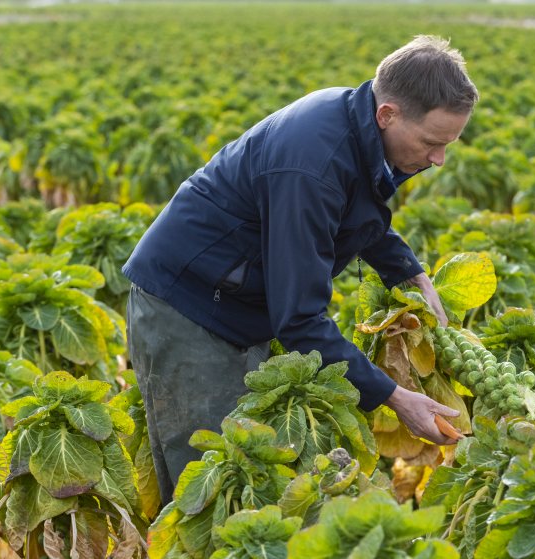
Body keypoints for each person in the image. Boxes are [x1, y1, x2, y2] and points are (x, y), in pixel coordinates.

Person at [123, 35, 479, 504]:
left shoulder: (356, 126)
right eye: (433, 143)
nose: (439, 159)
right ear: (388, 114)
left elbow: (359, 212)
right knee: (212, 487)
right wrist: (394, 397)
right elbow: (300, 320)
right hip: (186, 308)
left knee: (260, 476)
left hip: (237, 298)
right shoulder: (310, 164)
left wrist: (411, 273)